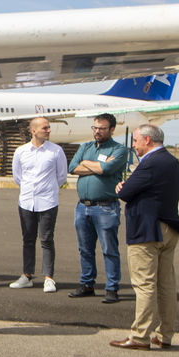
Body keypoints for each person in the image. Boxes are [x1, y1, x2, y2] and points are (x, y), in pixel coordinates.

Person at [110, 124, 179, 350]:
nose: (133, 146)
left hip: (147, 231)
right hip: (169, 228)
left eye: (135, 141)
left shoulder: (150, 163)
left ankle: (140, 336)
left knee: (144, 284)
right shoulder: (172, 161)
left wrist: (122, 186)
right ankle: (165, 334)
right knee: (166, 284)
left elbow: (125, 192)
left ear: (147, 140)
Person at [68, 113, 128, 303]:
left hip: (105, 208)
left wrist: (88, 164)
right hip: (82, 207)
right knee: (84, 249)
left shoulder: (119, 150)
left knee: (109, 249)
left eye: (102, 128)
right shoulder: (85, 146)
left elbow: (107, 170)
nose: (97, 132)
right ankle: (87, 284)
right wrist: (96, 165)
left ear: (112, 129)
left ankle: (111, 288)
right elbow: (72, 167)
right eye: (95, 128)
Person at [10, 116, 67, 293]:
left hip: (48, 202)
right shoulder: (21, 152)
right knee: (28, 239)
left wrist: (47, 190)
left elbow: (61, 176)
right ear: (33, 131)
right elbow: (17, 176)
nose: (48, 130)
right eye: (45, 128)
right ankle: (27, 275)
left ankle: (49, 278)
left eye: (48, 127)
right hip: (26, 201)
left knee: (46, 240)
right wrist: (29, 190)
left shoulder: (56, 151)